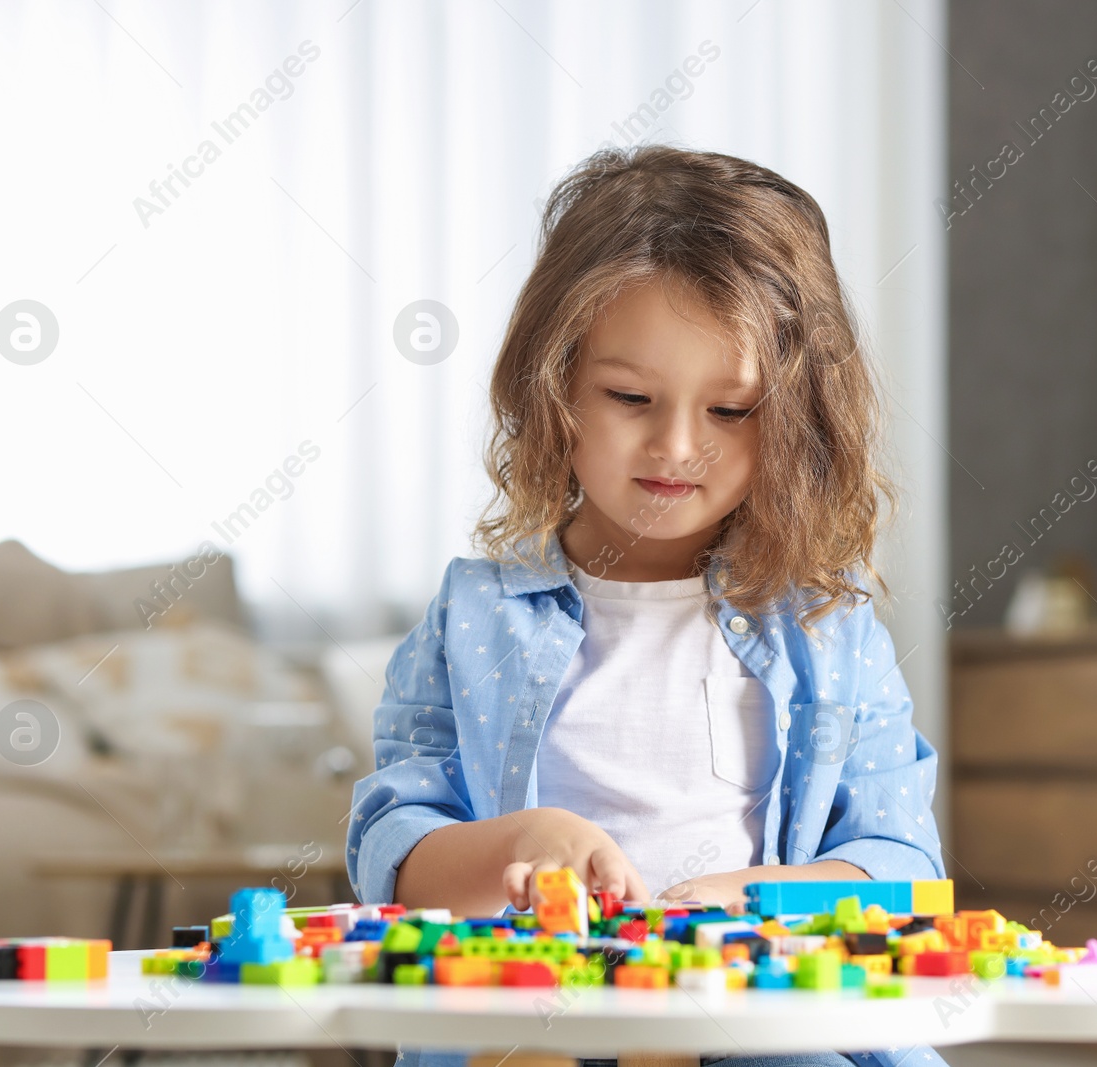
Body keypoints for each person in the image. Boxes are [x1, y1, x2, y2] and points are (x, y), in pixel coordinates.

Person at [346, 144, 947, 1067]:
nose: (675, 446)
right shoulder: (476, 615)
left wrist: (754, 900)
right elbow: (392, 849)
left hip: (757, 1013)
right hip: (537, 1007)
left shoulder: (828, 628)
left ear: (795, 420)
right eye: (631, 396)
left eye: (731, 411)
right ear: (552, 392)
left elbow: (903, 867)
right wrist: (519, 842)